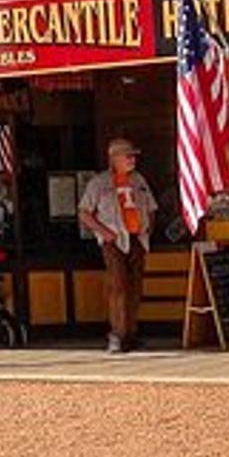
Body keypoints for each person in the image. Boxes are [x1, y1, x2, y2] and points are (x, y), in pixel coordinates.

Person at [78, 137, 157, 353]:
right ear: (114, 158)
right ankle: (117, 334)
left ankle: (131, 333)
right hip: (114, 240)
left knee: (135, 287)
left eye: (133, 156)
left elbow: (151, 205)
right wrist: (103, 232)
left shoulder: (139, 179)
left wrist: (149, 226)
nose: (132, 159)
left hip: (137, 238)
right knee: (118, 287)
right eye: (128, 156)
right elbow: (84, 212)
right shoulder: (99, 183)